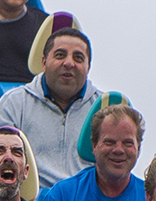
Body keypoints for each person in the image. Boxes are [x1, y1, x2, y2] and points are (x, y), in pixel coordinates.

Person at [6, 13, 100, 191]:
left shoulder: (105, 109)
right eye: (60, 55)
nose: (69, 63)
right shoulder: (14, 103)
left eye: (78, 58)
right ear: (44, 62)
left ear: (88, 67)